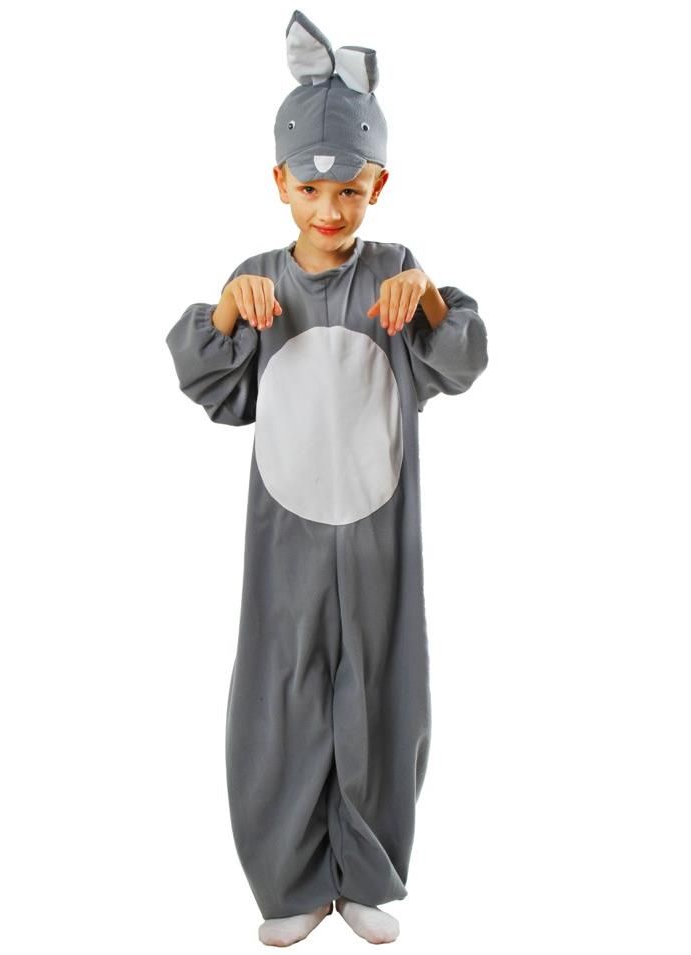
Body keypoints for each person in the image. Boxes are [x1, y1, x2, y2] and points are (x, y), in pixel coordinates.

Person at [166, 9, 489, 947]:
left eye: (350, 189)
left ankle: (366, 873)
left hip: (381, 529)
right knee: (282, 692)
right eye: (310, 189)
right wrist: (227, 313)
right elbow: (212, 386)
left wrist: (427, 299)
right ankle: (290, 880)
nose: (330, 210)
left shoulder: (394, 274)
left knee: (383, 689)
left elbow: (459, 361)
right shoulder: (259, 279)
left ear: (377, 183)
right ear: (280, 183)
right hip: (288, 530)